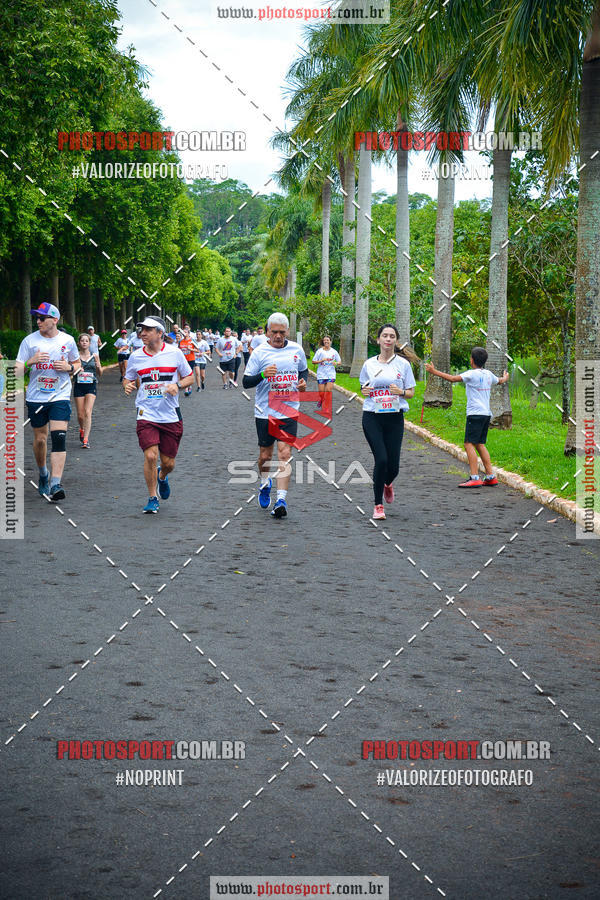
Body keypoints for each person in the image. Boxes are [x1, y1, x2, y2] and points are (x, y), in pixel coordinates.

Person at [123, 316, 193, 513]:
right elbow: (127, 379)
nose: (142, 333)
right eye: (141, 330)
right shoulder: (136, 356)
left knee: (168, 463)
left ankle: (162, 476)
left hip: (170, 415)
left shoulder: (175, 353)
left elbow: (190, 377)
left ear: (160, 333)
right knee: (151, 456)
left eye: (147, 330)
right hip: (146, 413)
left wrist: (177, 385)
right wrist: (127, 386)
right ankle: (152, 497)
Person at [242, 312, 308, 519]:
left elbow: (303, 371)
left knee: (285, 454)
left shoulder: (297, 349)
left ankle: (281, 500)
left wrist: (303, 382)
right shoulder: (260, 352)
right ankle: (264, 483)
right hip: (265, 411)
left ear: (287, 331)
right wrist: (263, 374)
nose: (278, 336)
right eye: (274, 332)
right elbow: (246, 382)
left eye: (282, 332)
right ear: (268, 331)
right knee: (265, 456)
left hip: (289, 409)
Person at [15, 302, 81, 501]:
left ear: (55, 320)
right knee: (41, 439)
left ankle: (55, 483)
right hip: (36, 397)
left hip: (59, 396)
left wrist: (69, 368)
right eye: (37, 318)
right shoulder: (29, 342)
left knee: (59, 436)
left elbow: (77, 365)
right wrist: (30, 362)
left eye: (42, 318)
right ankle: (43, 473)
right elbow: (14, 372)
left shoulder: (68, 341)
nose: (38, 321)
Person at [425, 347, 509, 487]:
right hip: (486, 414)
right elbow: (500, 381)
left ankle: (475, 477)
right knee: (479, 444)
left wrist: (434, 372)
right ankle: (490, 476)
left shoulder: (471, 374)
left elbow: (452, 378)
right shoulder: (489, 374)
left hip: (475, 414)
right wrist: (505, 377)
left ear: (472, 360)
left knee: (468, 443)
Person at [359, 324, 417, 521]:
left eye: (392, 336)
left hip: (394, 417)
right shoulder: (369, 364)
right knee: (381, 460)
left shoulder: (403, 365)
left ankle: (388, 483)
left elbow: (410, 393)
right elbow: (363, 387)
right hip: (372, 416)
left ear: (395, 341)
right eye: (385, 335)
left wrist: (399, 392)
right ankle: (378, 505)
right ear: (378, 340)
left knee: (393, 467)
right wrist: (364, 391)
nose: (388, 339)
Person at [74, 333, 102, 448]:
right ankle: (82, 429)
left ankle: (86, 439)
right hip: (79, 385)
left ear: (90, 343)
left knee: (87, 412)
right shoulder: (75, 357)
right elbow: (71, 372)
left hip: (91, 385)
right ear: (79, 343)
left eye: (86, 341)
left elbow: (100, 374)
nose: (84, 342)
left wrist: (98, 365)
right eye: (82, 341)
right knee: (80, 415)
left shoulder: (94, 356)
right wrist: (76, 370)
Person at [312, 335, 341, 409]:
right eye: (325, 340)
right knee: (321, 392)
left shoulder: (334, 351)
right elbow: (313, 361)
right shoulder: (320, 351)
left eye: (327, 340)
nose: (326, 341)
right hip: (321, 374)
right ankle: (321, 399)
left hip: (331, 374)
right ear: (323, 341)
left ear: (330, 341)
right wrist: (321, 360)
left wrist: (336, 363)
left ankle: (327, 407)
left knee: (328, 390)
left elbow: (339, 362)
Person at [178, 325, 197, 396]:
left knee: (189, 374)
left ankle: (189, 386)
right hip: (183, 360)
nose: (184, 333)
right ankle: (186, 389)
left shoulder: (192, 341)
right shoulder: (180, 341)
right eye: (183, 332)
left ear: (188, 333)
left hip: (191, 359)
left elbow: (197, 350)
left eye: (185, 332)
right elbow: (179, 350)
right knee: (184, 375)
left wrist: (191, 349)